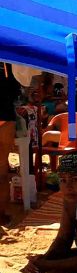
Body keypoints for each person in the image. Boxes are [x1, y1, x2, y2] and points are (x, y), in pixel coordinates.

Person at [0, 63, 20, 225]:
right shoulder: (8, 62)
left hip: (6, 115)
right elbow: (16, 91)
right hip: (6, 116)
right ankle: (1, 215)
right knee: (2, 171)